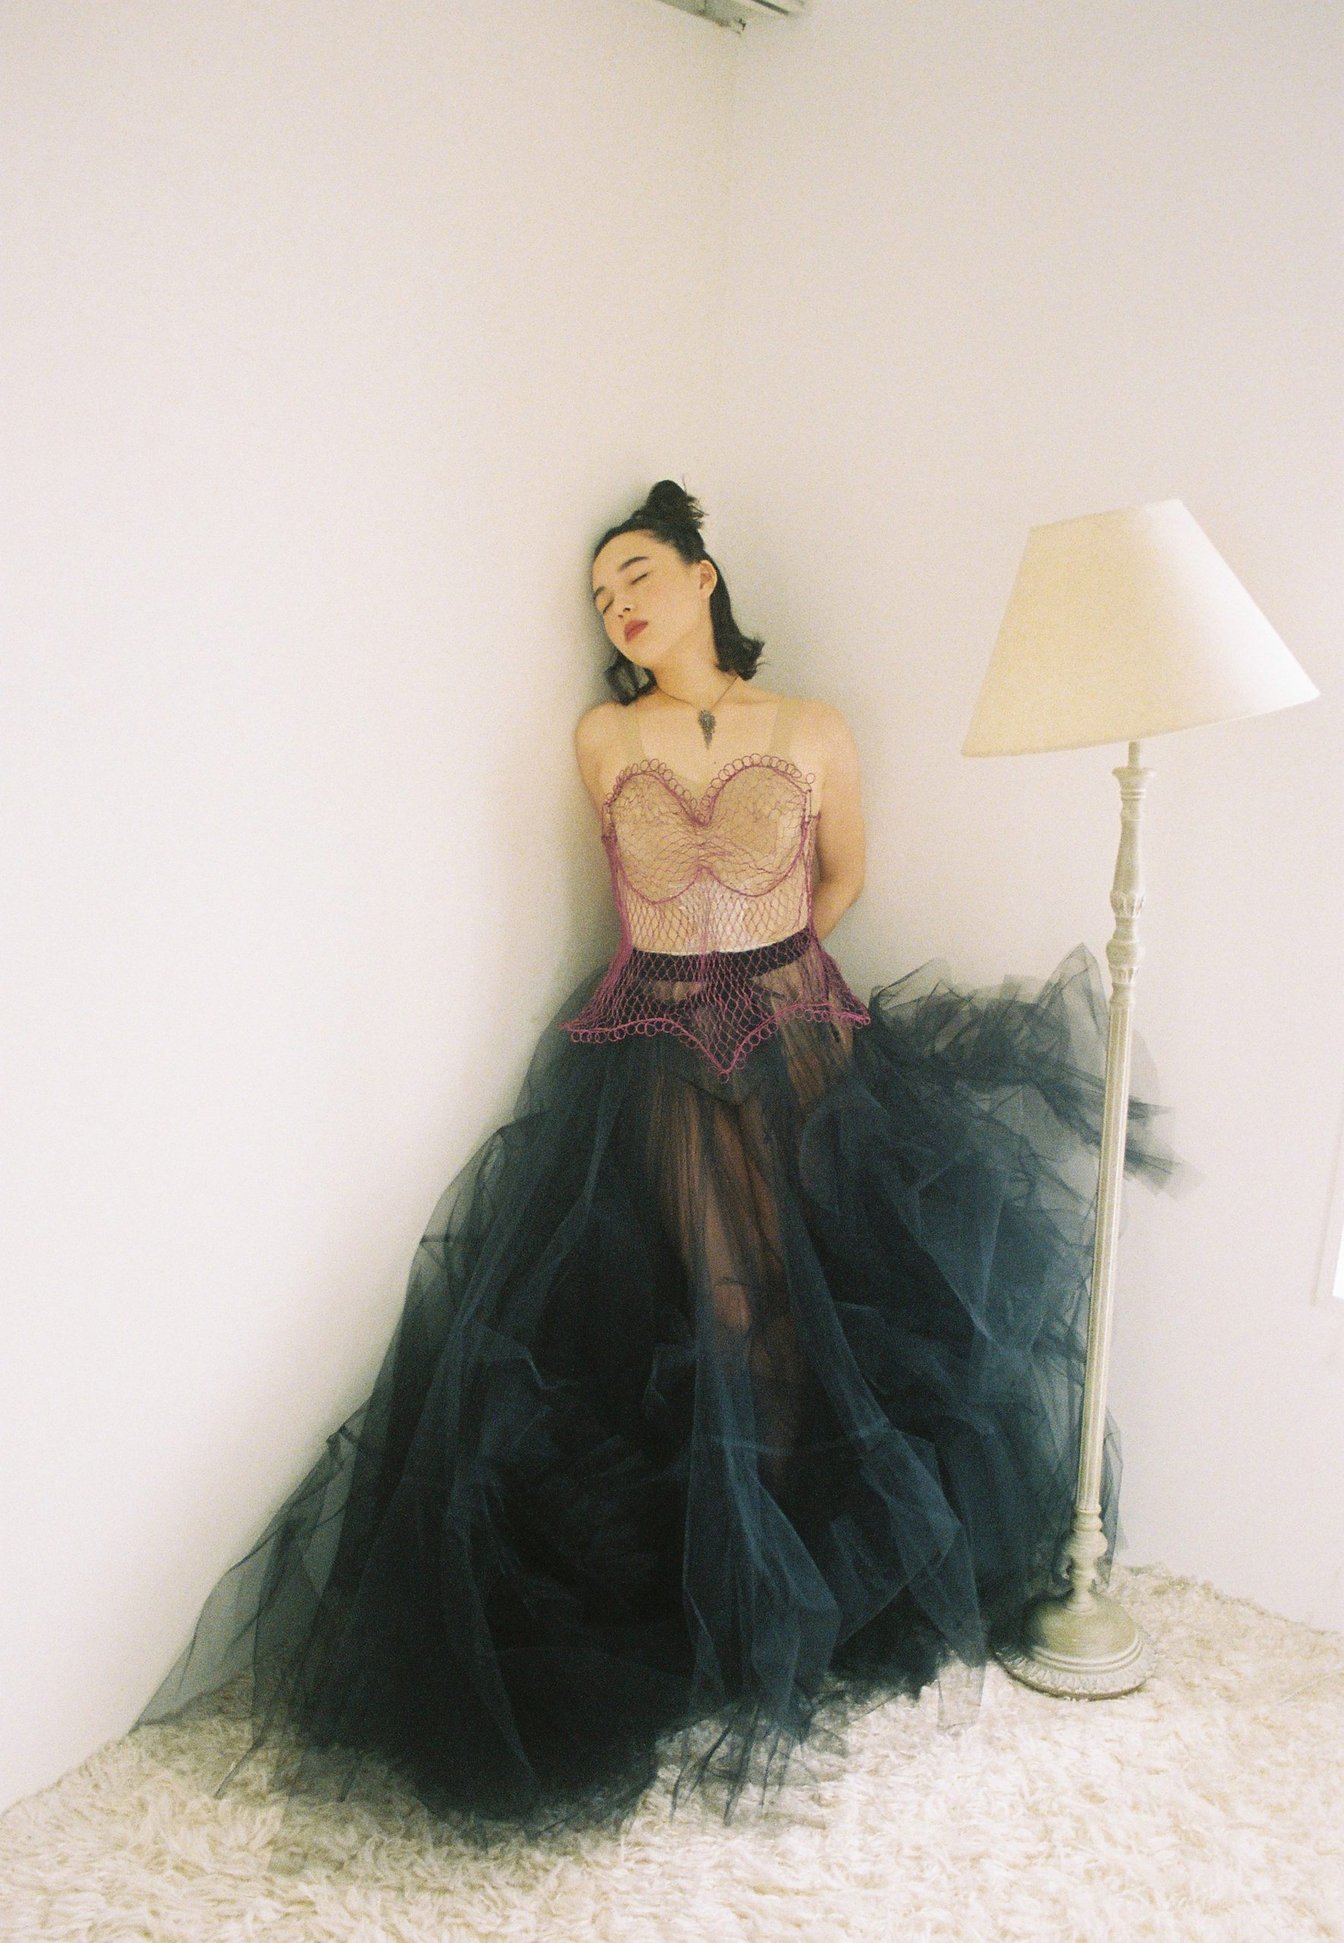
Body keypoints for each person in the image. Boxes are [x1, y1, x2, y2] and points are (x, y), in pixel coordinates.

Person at [132, 480, 1182, 1854]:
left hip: (796, 1036)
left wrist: (777, 977)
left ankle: (802, 1579)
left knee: (813, 1311)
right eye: (598, 595)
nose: (618, 604)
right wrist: (698, 986)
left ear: (701, 576)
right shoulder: (602, 736)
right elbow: (634, 894)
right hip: (653, 1048)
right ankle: (736, 1588)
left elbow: (844, 875)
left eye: (637, 573)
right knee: (724, 1306)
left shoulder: (809, 727)